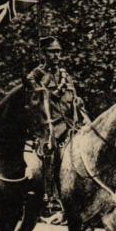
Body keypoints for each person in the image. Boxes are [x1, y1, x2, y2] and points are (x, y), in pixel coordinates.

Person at [26, 36, 88, 213]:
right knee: (50, 150)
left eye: (58, 51)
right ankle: (50, 196)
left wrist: (77, 102)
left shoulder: (65, 75)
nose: (56, 55)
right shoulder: (36, 75)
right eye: (52, 52)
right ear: (44, 53)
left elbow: (72, 97)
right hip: (47, 124)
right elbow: (33, 101)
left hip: (70, 122)